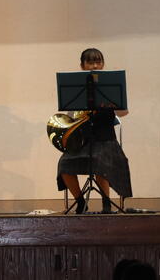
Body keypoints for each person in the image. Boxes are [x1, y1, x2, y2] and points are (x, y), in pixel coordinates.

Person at [57, 48, 132, 214]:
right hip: (83, 140)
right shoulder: (77, 87)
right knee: (64, 164)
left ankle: (106, 203)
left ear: (103, 64)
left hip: (106, 140)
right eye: (90, 62)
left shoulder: (110, 85)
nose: (95, 65)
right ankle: (80, 202)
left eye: (98, 62)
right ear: (82, 65)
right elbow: (70, 116)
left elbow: (123, 112)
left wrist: (113, 105)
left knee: (100, 160)